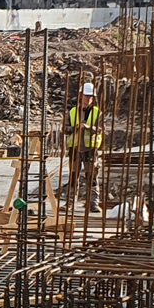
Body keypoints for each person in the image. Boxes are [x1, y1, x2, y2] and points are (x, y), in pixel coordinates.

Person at [64, 81, 102, 212]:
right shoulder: (73, 112)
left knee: (92, 177)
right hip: (75, 149)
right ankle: (69, 203)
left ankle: (93, 203)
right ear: (80, 96)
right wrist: (75, 128)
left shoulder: (97, 113)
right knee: (73, 176)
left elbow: (101, 129)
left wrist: (89, 127)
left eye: (91, 97)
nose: (89, 99)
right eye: (86, 96)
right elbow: (65, 128)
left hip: (90, 150)